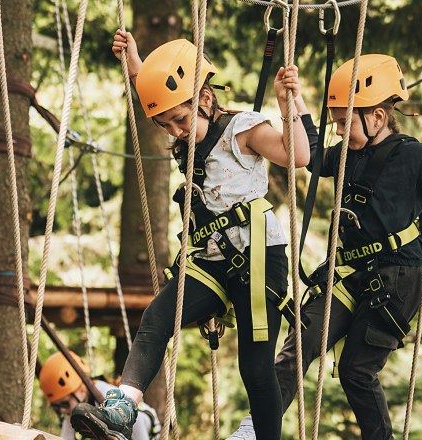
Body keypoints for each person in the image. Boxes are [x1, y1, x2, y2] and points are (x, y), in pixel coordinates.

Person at [70, 30, 311, 440]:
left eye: (179, 120)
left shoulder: (243, 130)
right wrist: (134, 62)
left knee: (255, 369)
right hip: (211, 260)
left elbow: (299, 156)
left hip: (258, 260)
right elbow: (161, 89)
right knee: (156, 318)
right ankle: (123, 406)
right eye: (165, 124)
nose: (175, 130)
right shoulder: (185, 130)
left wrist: (288, 105)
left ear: (205, 99)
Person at [274, 54, 422, 440]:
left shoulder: (414, 156)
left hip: (397, 278)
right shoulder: (347, 154)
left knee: (356, 370)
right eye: (336, 122)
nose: (338, 131)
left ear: (378, 118)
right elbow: (313, 156)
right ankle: (256, 429)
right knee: (299, 344)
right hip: (352, 272)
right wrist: (294, 101)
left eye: (343, 122)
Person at [40, 351, 161, 440]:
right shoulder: (72, 409)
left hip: (143, 428)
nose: (63, 410)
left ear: (81, 390)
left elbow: (137, 421)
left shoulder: (104, 392)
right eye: (57, 407)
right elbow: (66, 438)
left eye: (64, 404)